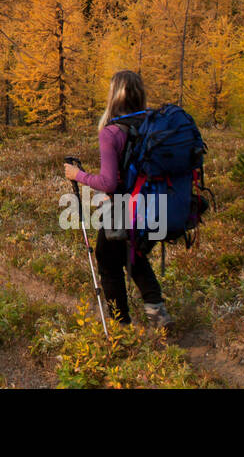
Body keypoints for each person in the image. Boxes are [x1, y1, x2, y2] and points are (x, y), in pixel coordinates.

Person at [63, 69, 174, 329]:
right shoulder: (153, 123)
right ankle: (156, 309)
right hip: (156, 204)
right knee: (131, 252)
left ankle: (120, 324)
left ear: (115, 95)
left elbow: (108, 183)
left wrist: (77, 175)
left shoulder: (112, 132)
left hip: (123, 206)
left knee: (108, 259)